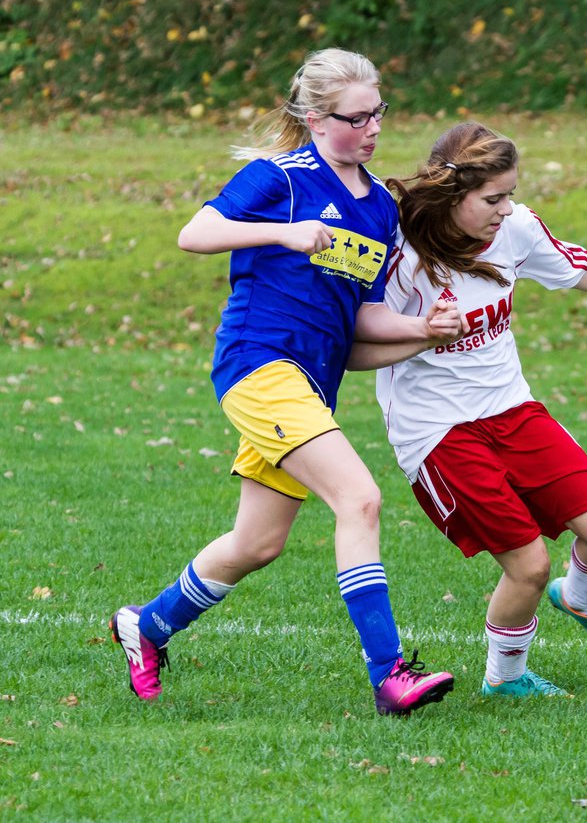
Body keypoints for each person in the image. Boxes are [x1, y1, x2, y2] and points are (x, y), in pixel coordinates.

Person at [110, 49, 464, 716]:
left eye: (378, 112)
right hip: (258, 366)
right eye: (356, 118)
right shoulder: (282, 176)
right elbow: (196, 232)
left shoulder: (379, 212)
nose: (372, 129)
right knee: (359, 499)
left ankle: (145, 627)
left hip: (311, 383)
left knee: (258, 543)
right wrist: (286, 233)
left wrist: (425, 328)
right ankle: (390, 676)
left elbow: (359, 321)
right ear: (314, 118)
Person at [349, 122, 587, 698]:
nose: (507, 209)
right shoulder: (400, 253)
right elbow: (352, 346)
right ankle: (505, 679)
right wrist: (423, 335)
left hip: (512, 408)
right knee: (529, 566)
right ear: (454, 195)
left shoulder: (517, 228)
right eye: (493, 198)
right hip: (437, 432)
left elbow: (573, 267)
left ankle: (581, 600)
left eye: (510, 194)